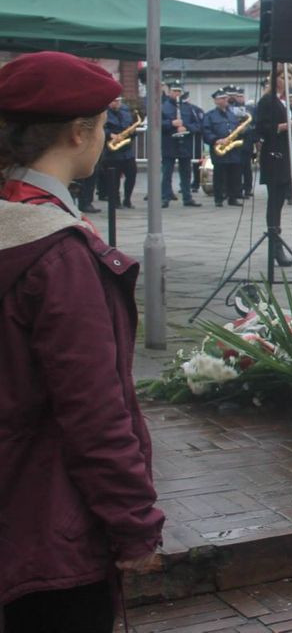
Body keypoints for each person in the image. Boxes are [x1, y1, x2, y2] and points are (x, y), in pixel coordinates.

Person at [0, 52, 164, 631]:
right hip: (48, 529)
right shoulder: (57, 254)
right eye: (103, 125)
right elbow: (93, 408)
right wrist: (133, 521)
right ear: (78, 133)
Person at [255, 71, 292, 267]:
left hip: (284, 154)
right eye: (283, 78)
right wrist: (286, 126)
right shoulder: (267, 101)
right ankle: (275, 244)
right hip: (273, 156)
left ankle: (276, 241)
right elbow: (262, 127)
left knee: (280, 200)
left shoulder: (284, 101)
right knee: (274, 201)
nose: (287, 81)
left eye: (289, 78)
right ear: (275, 80)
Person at [161, 79, 203, 208]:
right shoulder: (162, 107)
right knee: (167, 172)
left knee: (186, 172)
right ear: (169, 92)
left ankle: (187, 197)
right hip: (170, 143)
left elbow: (198, 124)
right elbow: (156, 124)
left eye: (179, 91)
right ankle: (165, 197)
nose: (177, 94)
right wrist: (171, 124)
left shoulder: (189, 108)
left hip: (185, 144)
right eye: (174, 91)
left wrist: (186, 127)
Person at [201, 87, 244, 207]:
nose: (226, 100)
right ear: (216, 101)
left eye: (225, 98)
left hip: (233, 149)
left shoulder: (232, 114)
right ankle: (219, 198)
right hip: (219, 148)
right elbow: (206, 131)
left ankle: (233, 197)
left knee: (234, 174)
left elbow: (236, 129)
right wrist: (216, 140)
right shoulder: (210, 115)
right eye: (222, 98)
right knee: (219, 175)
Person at [100, 94, 139, 209]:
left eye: (118, 101)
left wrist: (132, 132)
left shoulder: (126, 113)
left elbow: (131, 128)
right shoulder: (104, 114)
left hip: (127, 151)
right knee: (114, 178)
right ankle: (116, 201)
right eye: (113, 101)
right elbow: (100, 128)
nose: (116, 103)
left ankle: (127, 199)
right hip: (112, 152)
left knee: (132, 175)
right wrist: (110, 135)